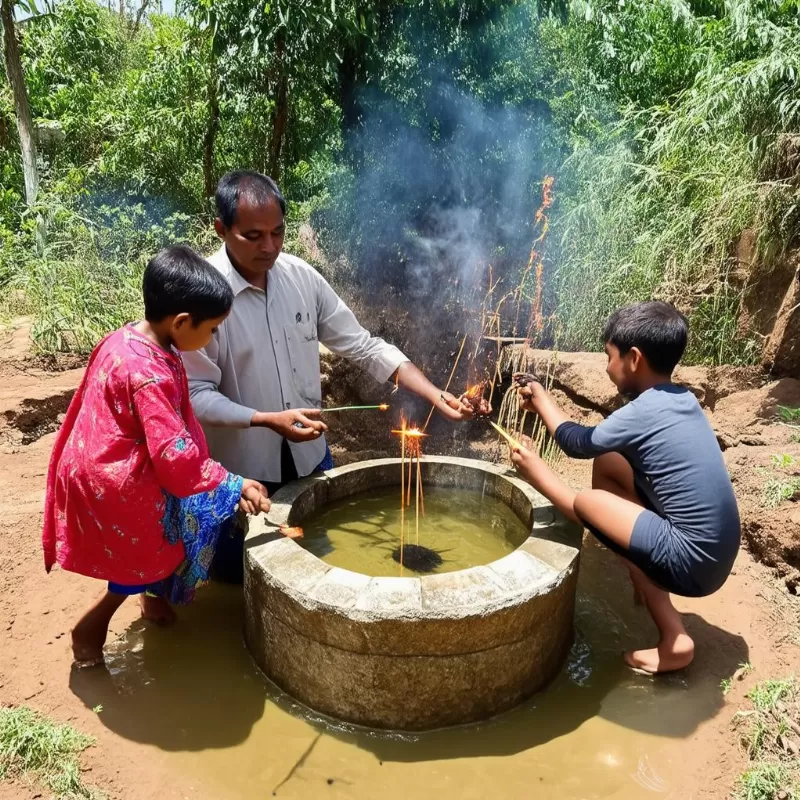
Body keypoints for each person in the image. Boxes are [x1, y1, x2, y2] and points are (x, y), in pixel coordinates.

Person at [183, 170, 489, 582]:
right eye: (253, 236)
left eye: (278, 232)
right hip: (243, 470)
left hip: (310, 457)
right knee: (238, 579)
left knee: (319, 565)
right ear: (222, 229)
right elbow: (195, 394)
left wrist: (436, 395)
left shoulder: (301, 278)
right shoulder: (202, 294)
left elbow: (364, 345)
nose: (269, 246)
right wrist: (265, 419)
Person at [42, 245, 271, 667]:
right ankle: (90, 630)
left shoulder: (129, 338)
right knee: (146, 554)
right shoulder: (150, 375)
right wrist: (231, 482)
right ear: (182, 322)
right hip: (118, 479)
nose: (214, 338)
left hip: (100, 459)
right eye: (214, 330)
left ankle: (151, 600)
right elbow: (174, 456)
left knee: (162, 540)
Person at [510, 301, 740, 674]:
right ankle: (647, 581)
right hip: (717, 551)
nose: (606, 366)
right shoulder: (680, 399)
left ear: (633, 359)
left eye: (608, 356)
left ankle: (673, 642)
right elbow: (597, 450)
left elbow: (576, 443)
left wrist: (537, 470)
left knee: (589, 502)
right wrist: (540, 397)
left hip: (692, 564)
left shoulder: (642, 412)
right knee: (611, 463)